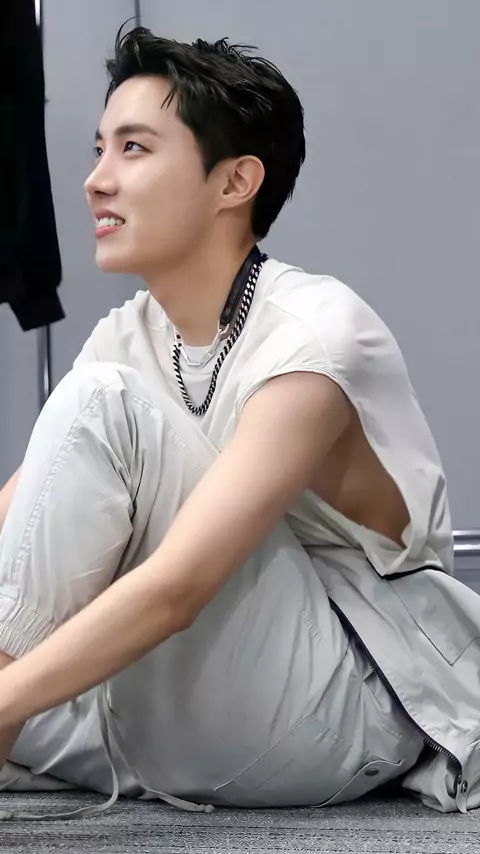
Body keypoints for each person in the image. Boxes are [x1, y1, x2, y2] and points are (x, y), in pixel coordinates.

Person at [0, 24, 479, 822]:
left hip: (346, 700)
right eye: (99, 149)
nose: (95, 180)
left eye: (133, 148)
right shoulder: (129, 334)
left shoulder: (316, 332)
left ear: (235, 181)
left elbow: (180, 588)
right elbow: (20, 524)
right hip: (186, 701)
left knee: (101, 402)